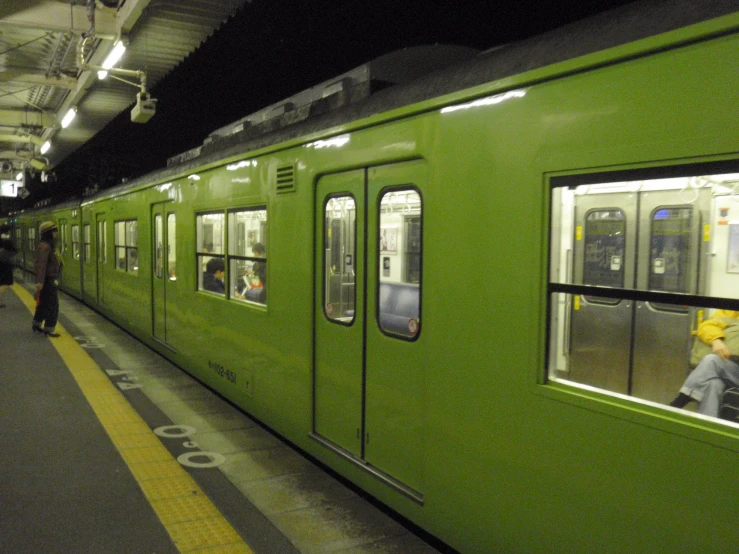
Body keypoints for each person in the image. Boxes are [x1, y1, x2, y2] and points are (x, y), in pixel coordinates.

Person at [669, 309, 739, 417]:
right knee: (714, 384)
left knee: (712, 360)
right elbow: (706, 326)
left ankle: (681, 400)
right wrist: (716, 340)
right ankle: (707, 427)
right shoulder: (732, 311)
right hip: (731, 368)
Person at [32, 221, 63, 337]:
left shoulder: (48, 246)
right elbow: (41, 265)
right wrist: (39, 282)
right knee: (52, 305)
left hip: (48, 279)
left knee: (44, 303)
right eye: (53, 231)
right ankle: (49, 328)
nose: (56, 233)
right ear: (48, 233)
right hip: (48, 280)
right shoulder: (45, 246)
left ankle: (37, 323)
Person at [0, 224, 17, 308]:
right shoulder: (6, 239)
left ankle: (1, 301)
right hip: (5, 264)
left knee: (1, 282)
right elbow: (13, 249)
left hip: (2, 264)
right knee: (5, 282)